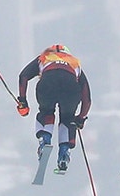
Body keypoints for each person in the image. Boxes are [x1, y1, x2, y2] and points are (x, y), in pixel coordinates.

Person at [16, 43, 91, 173]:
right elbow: (87, 97)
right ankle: (64, 153)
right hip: (71, 88)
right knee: (68, 119)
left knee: (46, 112)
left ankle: (45, 140)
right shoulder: (75, 62)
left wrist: (23, 102)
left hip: (47, 84)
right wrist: (80, 118)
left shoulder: (44, 57)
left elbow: (23, 76)